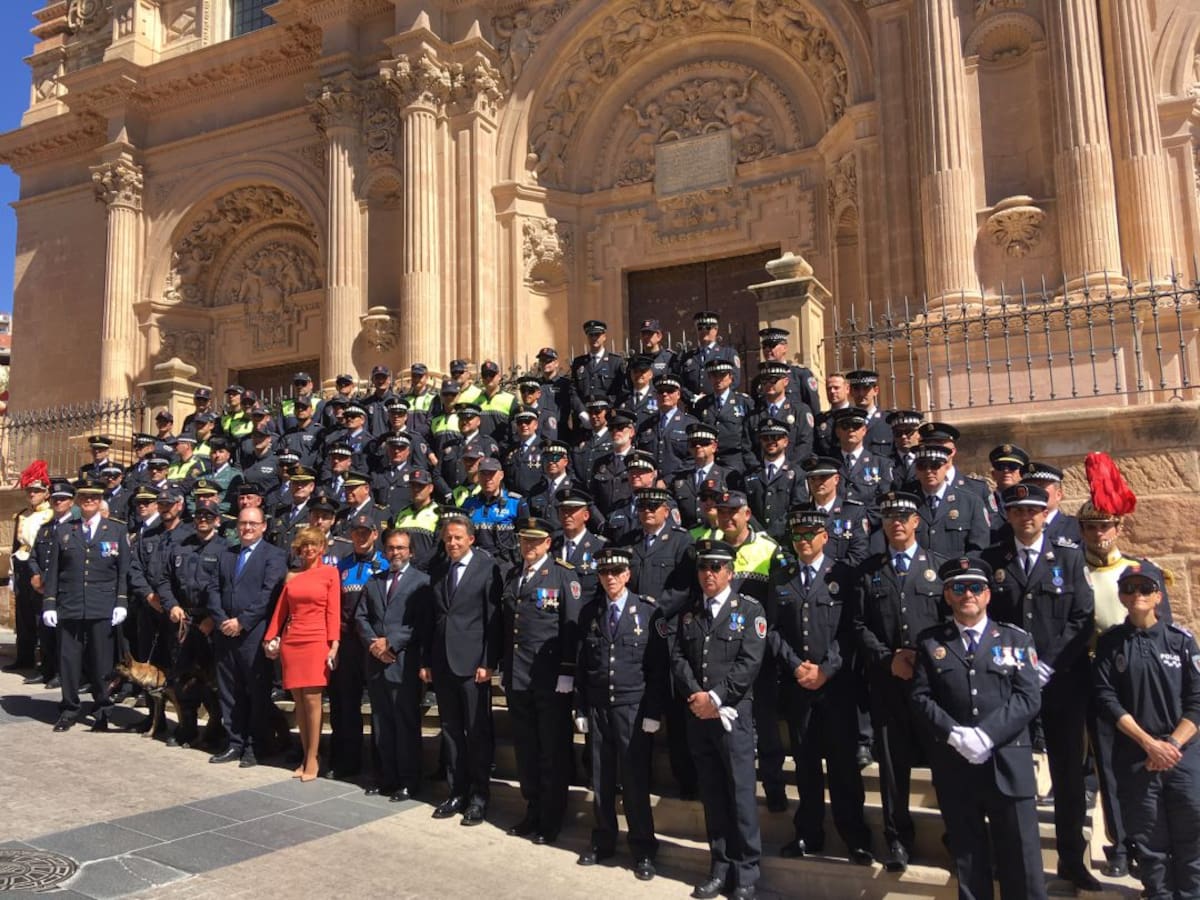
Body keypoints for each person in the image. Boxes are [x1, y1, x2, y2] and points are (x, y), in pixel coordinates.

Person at [980, 482, 1100, 891]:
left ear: (1044, 513)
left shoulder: (1068, 556)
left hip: (1062, 682)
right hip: (1010, 686)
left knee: (1067, 774)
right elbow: (986, 622)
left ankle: (1070, 858)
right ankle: (1009, 855)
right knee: (1008, 775)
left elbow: (1082, 617)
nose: (1026, 517)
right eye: (1017, 511)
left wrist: (1047, 666)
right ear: (1008, 515)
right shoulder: (993, 560)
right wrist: (1017, 670)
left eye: (1033, 510)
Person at [910, 557, 1047, 900]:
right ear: (947, 596)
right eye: (958, 588)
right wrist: (955, 734)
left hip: (1008, 765)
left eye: (975, 587)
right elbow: (921, 697)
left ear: (987, 595)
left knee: (1022, 859)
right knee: (968, 858)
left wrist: (985, 735)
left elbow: (1028, 698)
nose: (967, 594)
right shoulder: (930, 643)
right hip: (956, 766)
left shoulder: (1016, 640)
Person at [770, 508, 873, 865]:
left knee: (843, 767)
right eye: (797, 535)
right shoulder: (781, 577)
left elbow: (851, 630)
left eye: (810, 534)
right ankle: (808, 833)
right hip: (799, 687)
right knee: (806, 765)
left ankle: (856, 838)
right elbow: (772, 630)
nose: (803, 541)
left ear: (824, 537)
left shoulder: (843, 575)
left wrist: (826, 670)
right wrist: (797, 666)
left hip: (836, 688)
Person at [853, 491, 948, 871]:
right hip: (888, 681)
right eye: (889, 516)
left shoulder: (938, 568)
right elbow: (859, 624)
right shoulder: (869, 571)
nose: (896, 522)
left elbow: (947, 625)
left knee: (944, 763)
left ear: (916, 522)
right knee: (893, 767)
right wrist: (887, 658)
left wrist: (922, 660)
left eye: (903, 516)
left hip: (932, 684)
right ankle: (897, 839)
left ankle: (956, 836)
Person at [1093, 564, 1200, 900]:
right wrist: (1149, 744)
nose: (1135, 595)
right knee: (1150, 844)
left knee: (1193, 839)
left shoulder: (1181, 642)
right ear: (1121, 597)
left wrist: (1170, 745)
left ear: (1158, 595)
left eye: (1144, 588)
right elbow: (1106, 698)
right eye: (1128, 589)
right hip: (1137, 757)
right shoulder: (1111, 643)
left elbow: (1197, 701)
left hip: (1182, 756)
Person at [671, 539, 766, 900]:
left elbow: (749, 663)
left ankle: (746, 872)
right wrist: (696, 694)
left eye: (716, 567)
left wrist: (715, 697)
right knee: (712, 794)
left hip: (732, 716)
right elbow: (679, 656)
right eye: (703, 568)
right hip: (698, 714)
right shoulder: (691, 612)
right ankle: (720, 866)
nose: (708, 574)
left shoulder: (750, 610)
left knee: (740, 795)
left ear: (729, 571)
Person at [574, 546, 666, 880]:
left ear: (627, 575)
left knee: (634, 781)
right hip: (599, 707)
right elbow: (584, 665)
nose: (610, 578)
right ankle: (603, 840)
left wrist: (654, 711)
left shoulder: (647, 613)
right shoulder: (590, 612)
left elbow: (657, 669)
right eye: (604, 573)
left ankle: (643, 848)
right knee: (601, 778)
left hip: (632, 708)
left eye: (616, 572)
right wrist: (581, 706)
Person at [500, 517, 584, 845]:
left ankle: (551, 818)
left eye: (536, 542)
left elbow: (571, 626)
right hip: (519, 676)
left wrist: (567, 671)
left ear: (549, 543)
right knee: (527, 749)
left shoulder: (563, 575)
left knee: (552, 750)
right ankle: (532, 809)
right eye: (525, 541)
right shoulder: (513, 576)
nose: (529, 547)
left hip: (550, 679)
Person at [422, 513, 504, 825]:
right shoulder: (440, 567)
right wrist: (427, 661)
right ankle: (456, 791)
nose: (452, 542)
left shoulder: (487, 568)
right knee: (451, 731)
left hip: (473, 665)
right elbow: (434, 618)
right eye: (448, 538)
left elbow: (491, 619)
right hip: (443, 662)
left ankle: (479, 797)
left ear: (471, 539)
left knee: (477, 732)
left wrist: (488, 662)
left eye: (458, 537)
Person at [41, 481, 130, 732]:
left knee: (102, 661)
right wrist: (49, 603)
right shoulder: (65, 531)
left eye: (94, 497)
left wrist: (121, 602)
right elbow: (54, 572)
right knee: (69, 659)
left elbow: (123, 571)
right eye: (85, 497)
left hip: (103, 605)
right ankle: (69, 708)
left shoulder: (115, 530)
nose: (89, 500)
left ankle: (102, 709)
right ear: (78, 501)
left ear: (101, 499)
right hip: (70, 604)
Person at [205, 505, 288, 767]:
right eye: (243, 523)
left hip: (253, 634)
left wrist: (242, 622)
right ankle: (234, 742)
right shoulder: (226, 554)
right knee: (229, 691)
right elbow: (213, 588)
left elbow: (268, 594)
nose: (247, 528)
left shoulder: (274, 555)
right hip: (225, 633)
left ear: (264, 526)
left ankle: (255, 745)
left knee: (256, 692)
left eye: (253, 523)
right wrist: (220, 620)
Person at [356, 528, 433, 802]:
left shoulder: (423, 582)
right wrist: (374, 644)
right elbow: (361, 617)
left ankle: (409, 781)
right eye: (391, 548)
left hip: (404, 664)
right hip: (376, 664)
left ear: (410, 551)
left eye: (401, 548)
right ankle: (385, 777)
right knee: (381, 723)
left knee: (405, 725)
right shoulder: (374, 581)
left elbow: (421, 623)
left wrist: (392, 642)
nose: (395, 553)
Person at [263, 526, 340, 781]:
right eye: (304, 545)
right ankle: (307, 754)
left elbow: (333, 611)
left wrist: (334, 643)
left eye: (313, 545)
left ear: (322, 547)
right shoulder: (292, 576)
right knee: (298, 701)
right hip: (292, 640)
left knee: (313, 701)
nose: (308, 549)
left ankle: (312, 758)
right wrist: (270, 637)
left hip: (317, 640)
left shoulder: (330, 573)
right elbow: (280, 610)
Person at [7, 465, 52, 677]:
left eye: (37, 491)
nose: (32, 495)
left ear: (46, 493)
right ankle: (24, 657)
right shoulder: (23, 515)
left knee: (40, 615)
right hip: (22, 564)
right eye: (30, 491)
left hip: (40, 565)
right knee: (23, 615)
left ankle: (45, 661)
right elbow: (16, 545)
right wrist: (12, 571)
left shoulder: (50, 514)